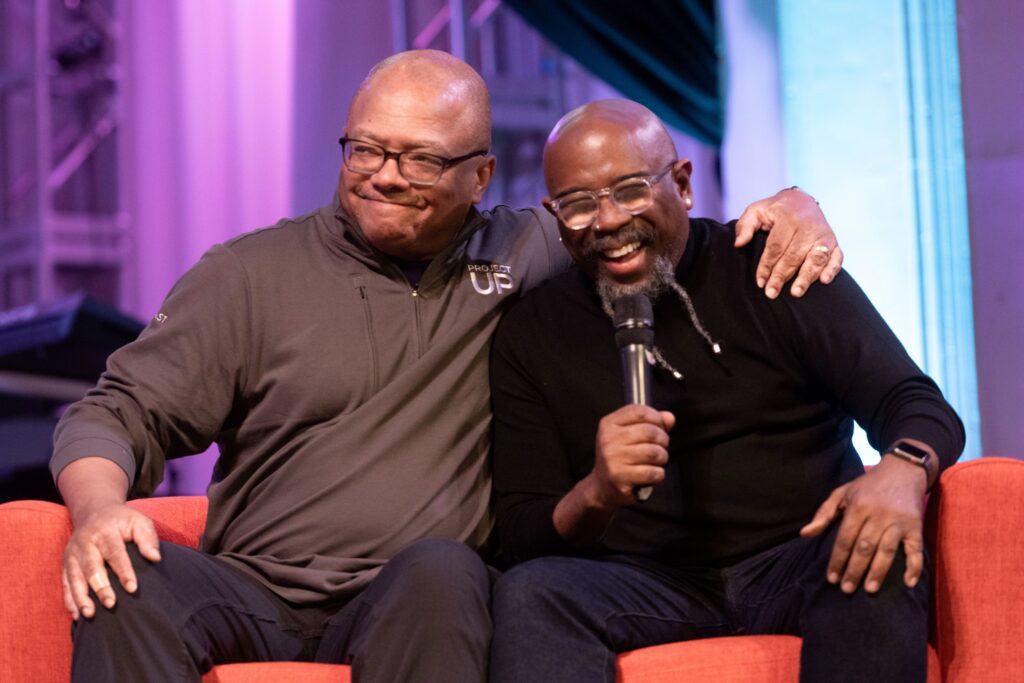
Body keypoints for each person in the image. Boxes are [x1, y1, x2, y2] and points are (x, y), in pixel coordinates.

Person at [50, 52, 839, 683]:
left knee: (442, 568)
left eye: (421, 161)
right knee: (131, 585)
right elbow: (113, 412)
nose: (385, 175)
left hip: (417, 598)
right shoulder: (246, 275)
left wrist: (793, 205)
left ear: (480, 177)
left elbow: (639, 223)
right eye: (366, 149)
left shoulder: (527, 248)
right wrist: (97, 511)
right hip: (256, 588)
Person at [488, 99, 964, 683]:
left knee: (872, 547)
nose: (608, 220)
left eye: (631, 189)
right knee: (531, 594)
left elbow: (913, 401)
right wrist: (596, 492)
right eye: (579, 204)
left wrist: (901, 470)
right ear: (555, 216)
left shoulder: (773, 268)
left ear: (683, 184)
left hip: (801, 554)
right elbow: (521, 535)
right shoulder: (533, 332)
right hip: (645, 584)